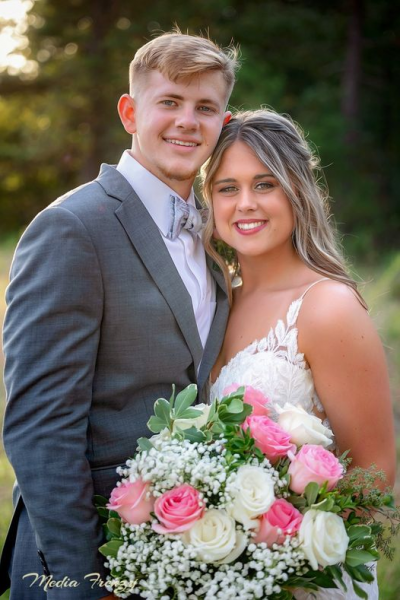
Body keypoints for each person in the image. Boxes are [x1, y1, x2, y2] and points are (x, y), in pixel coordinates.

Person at [0, 31, 238, 599]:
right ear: (130, 112)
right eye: (170, 102)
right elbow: (40, 426)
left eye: (205, 107)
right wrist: (81, 581)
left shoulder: (215, 231)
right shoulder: (72, 228)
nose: (187, 121)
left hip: (183, 551)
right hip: (81, 559)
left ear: (224, 124)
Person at [202, 109, 396, 599]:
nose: (245, 203)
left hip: (306, 580)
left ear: (297, 191)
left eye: (264, 184)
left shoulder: (326, 307)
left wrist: (278, 567)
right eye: (227, 188)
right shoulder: (214, 299)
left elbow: (375, 474)